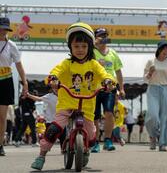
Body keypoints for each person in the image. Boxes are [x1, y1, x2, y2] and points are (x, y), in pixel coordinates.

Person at [30, 22, 115, 170]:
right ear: (70, 47)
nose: (80, 50)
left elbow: (104, 74)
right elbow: (55, 71)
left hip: (87, 106)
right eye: (76, 46)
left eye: (83, 46)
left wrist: (108, 81)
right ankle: (41, 155)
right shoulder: (67, 64)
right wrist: (53, 79)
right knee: (54, 129)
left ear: (89, 46)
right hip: (66, 104)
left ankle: (86, 149)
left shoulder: (94, 64)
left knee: (92, 136)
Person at [91, 27, 125, 153]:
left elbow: (119, 71)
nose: (103, 38)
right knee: (94, 116)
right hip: (94, 88)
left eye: (105, 35)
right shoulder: (91, 52)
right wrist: (93, 45)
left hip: (109, 87)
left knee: (109, 113)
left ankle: (107, 140)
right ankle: (94, 142)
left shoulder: (113, 53)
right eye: (100, 35)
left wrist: (121, 88)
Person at [0, 16, 28, 156]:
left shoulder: (11, 45)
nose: (3, 31)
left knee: (2, 116)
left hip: (5, 81)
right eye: (1, 28)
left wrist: (25, 82)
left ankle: (0, 145)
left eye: (5, 28)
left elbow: (19, 65)